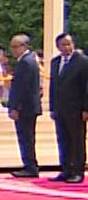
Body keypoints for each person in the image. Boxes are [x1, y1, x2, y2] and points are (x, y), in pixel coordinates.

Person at [50, 33, 88, 184]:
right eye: (63, 45)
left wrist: (86, 108)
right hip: (60, 109)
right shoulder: (55, 62)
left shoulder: (83, 62)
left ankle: (78, 171)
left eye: (69, 44)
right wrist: (53, 107)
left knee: (77, 140)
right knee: (63, 139)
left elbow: (86, 87)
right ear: (58, 47)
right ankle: (66, 169)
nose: (67, 47)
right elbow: (54, 86)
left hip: (76, 109)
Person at [7, 34, 42, 177]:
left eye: (16, 47)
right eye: (12, 47)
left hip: (25, 108)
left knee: (26, 137)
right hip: (27, 107)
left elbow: (23, 89)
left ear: (25, 46)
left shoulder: (26, 62)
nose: (14, 50)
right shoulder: (26, 61)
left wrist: (16, 107)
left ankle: (30, 167)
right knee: (26, 137)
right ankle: (29, 165)